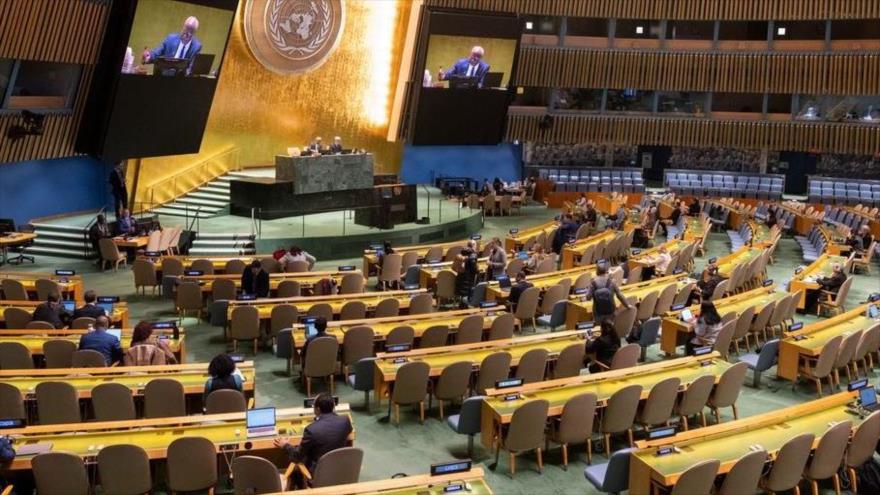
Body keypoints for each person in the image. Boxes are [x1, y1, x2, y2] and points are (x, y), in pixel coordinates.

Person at [274, 393, 352, 481]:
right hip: (340, 468)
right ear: (333, 406)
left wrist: (285, 445)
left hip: (319, 473)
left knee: (296, 469)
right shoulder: (345, 421)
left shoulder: (311, 430)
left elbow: (297, 456)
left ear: (317, 409)